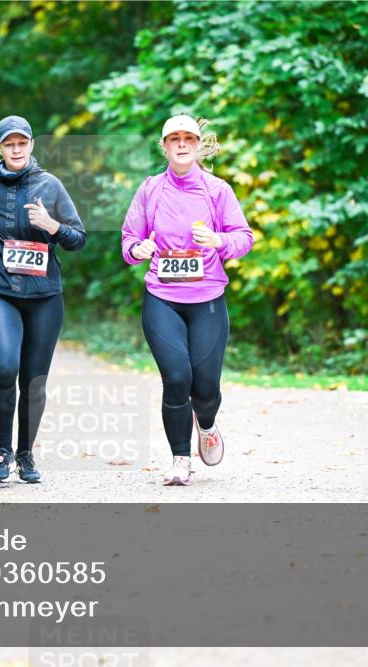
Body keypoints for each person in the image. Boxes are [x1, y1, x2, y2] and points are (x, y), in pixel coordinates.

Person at [121, 114, 254, 486]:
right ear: (163, 146)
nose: (181, 144)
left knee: (206, 388)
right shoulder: (150, 190)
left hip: (208, 298)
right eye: (173, 138)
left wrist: (220, 241)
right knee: (177, 378)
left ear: (198, 145)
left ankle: (207, 425)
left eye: (188, 138)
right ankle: (180, 458)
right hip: (162, 298)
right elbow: (128, 240)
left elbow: (243, 236)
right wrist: (139, 248)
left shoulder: (217, 190)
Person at [0, 115, 86, 484]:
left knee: (33, 380)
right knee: (4, 367)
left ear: (31, 145)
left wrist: (53, 226)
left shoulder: (51, 186)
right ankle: (2, 451)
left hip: (45, 297)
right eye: (9, 144)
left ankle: (26, 453)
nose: (16, 149)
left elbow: (79, 238)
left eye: (22, 143)